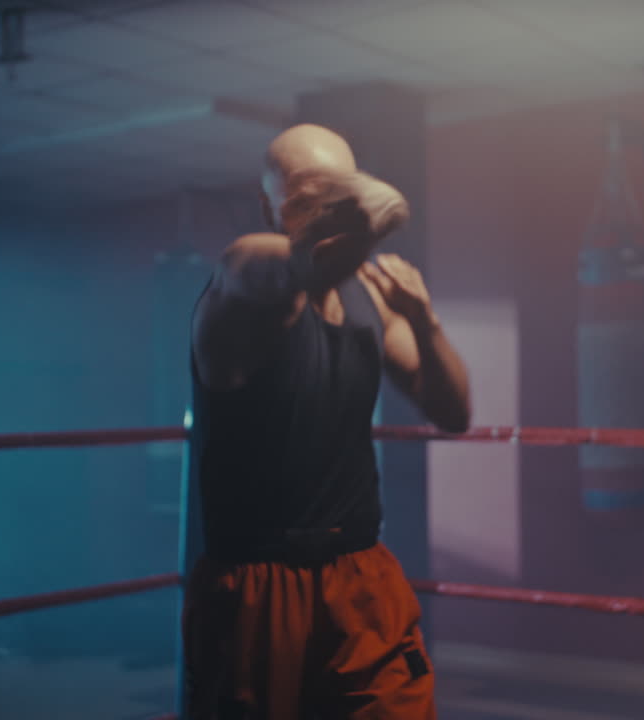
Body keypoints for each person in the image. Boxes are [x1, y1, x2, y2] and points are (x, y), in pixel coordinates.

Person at [183, 123, 471, 719]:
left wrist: (426, 323)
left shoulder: (372, 294)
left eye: (338, 190)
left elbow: (453, 414)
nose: (328, 207)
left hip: (360, 576)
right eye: (307, 195)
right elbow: (295, 269)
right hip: (256, 589)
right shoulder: (243, 271)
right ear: (271, 206)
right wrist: (357, 221)